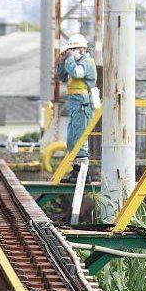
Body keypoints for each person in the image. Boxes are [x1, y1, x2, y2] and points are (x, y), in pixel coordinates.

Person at [56, 33, 97, 183]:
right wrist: (62, 61)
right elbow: (62, 77)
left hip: (83, 103)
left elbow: (77, 72)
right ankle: (76, 171)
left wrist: (70, 59)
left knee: (80, 137)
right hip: (74, 103)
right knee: (72, 138)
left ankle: (84, 174)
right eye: (71, 49)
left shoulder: (87, 62)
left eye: (75, 49)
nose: (72, 52)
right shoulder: (72, 62)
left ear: (83, 49)